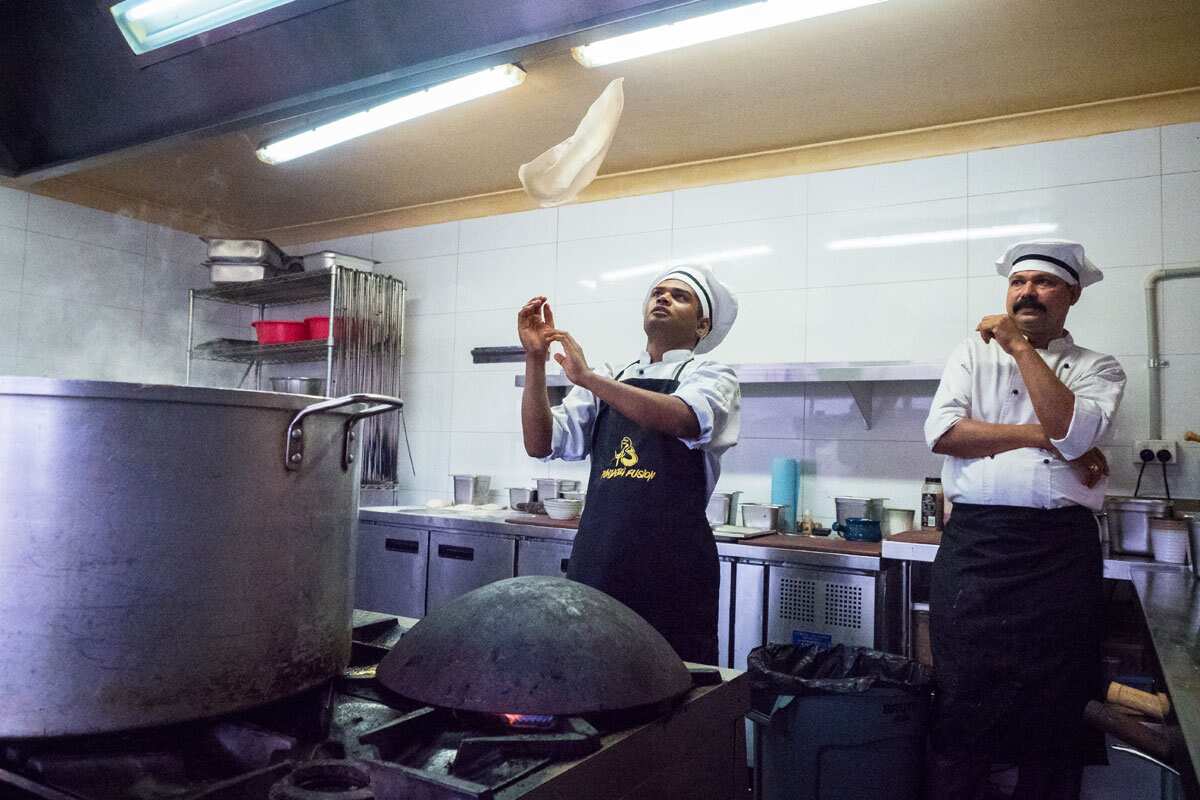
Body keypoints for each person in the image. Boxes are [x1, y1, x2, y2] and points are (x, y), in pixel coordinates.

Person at [923, 240, 1127, 799]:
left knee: (1057, 703)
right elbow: (943, 435)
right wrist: (1051, 439)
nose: (1028, 293)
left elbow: (1077, 431)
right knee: (964, 695)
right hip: (977, 548)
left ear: (1073, 295)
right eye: (1019, 283)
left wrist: (1018, 347)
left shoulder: (1098, 366)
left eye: (1044, 283)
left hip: (1059, 553)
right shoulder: (969, 353)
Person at [518, 265, 740, 664]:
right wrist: (535, 361)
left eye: (680, 295)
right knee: (592, 676)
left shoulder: (712, 375)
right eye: (658, 292)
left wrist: (589, 379)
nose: (663, 298)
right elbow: (540, 442)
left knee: (672, 684)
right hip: (599, 559)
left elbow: (682, 417)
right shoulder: (614, 377)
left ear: (702, 325)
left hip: (672, 568)